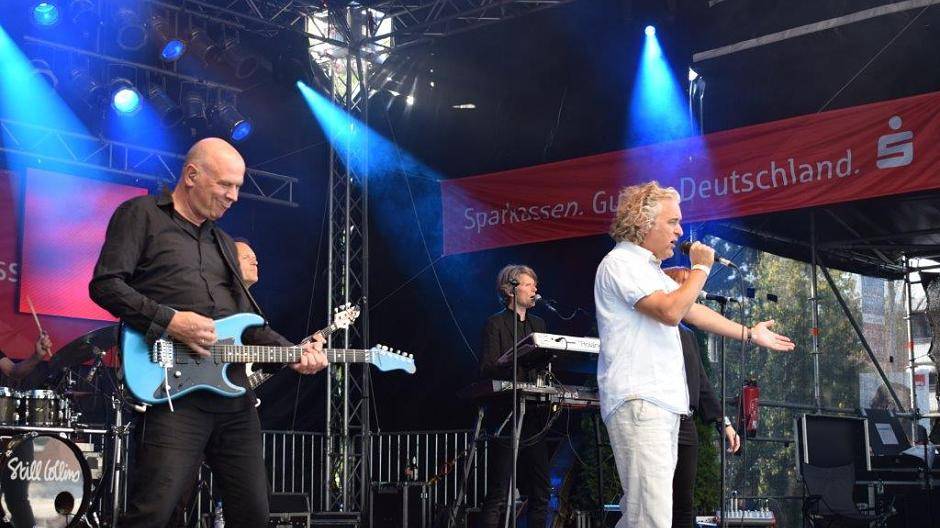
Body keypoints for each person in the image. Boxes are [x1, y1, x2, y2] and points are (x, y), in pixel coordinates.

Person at [89, 137, 328, 528]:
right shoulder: (141, 215)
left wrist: (294, 353)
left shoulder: (223, 243)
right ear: (191, 175)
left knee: (253, 514)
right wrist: (170, 321)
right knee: (154, 512)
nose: (234, 196)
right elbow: (105, 285)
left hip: (233, 398)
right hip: (172, 392)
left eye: (238, 187)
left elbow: (248, 322)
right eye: (225, 184)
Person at [594, 181, 794, 528]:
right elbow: (671, 311)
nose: (679, 231)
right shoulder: (621, 262)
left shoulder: (648, 269)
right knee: (650, 517)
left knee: (642, 514)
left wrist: (750, 333)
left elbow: (693, 312)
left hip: (660, 403)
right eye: (672, 221)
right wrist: (700, 269)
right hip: (641, 398)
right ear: (643, 222)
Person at [663, 267, 740, 528]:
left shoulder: (688, 335)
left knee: (684, 502)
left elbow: (703, 384)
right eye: (685, 284)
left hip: (685, 422)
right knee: (656, 500)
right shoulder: (652, 325)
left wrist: (723, 422)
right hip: (658, 418)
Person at [479, 264, 551, 528]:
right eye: (528, 284)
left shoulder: (538, 324)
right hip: (505, 412)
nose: (535, 289)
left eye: (535, 285)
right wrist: (506, 361)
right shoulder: (495, 323)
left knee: (541, 489)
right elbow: (486, 368)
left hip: (533, 412)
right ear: (510, 290)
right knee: (499, 489)